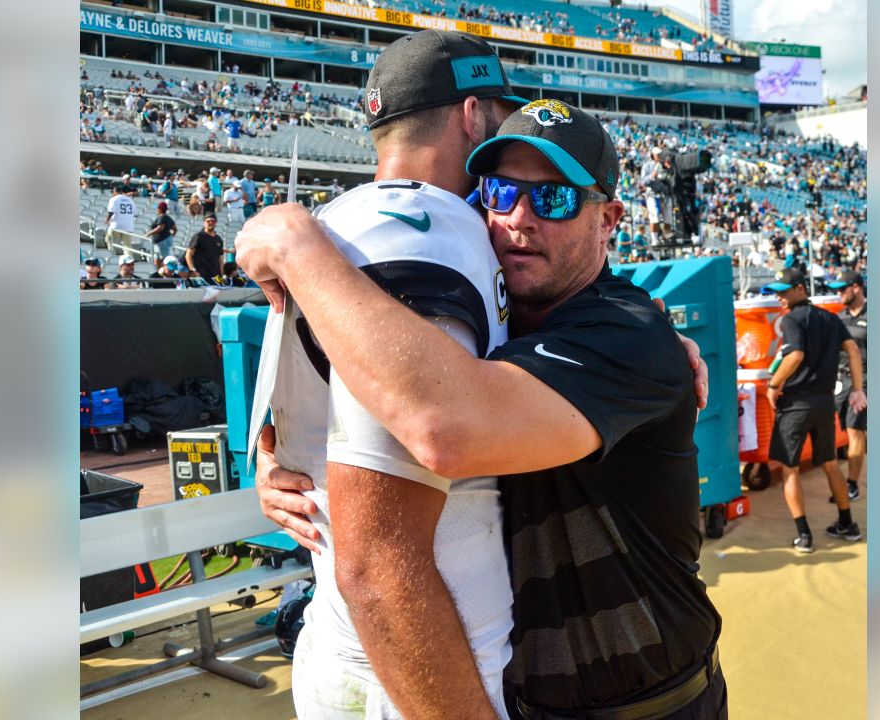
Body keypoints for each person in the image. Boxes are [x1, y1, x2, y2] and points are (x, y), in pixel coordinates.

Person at [240, 100, 725, 719]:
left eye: (553, 200)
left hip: (649, 705)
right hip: (527, 697)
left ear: (608, 220)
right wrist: (281, 462)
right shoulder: (492, 331)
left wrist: (295, 245)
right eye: (499, 193)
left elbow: (444, 427)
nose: (519, 219)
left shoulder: (628, 334)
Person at [235, 30, 528, 720]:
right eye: (499, 118)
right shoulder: (423, 231)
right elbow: (380, 560)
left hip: (342, 637)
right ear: (470, 116)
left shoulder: (328, 226)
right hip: (432, 653)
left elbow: (283, 440)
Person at [763, 267, 867, 553]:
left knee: (790, 469)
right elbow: (854, 350)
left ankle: (804, 534)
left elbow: (795, 355)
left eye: (784, 292)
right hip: (824, 403)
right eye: (777, 293)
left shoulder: (792, 320)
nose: (780, 298)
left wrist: (774, 383)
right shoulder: (831, 318)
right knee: (830, 463)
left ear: (800, 289)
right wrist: (858, 388)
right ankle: (847, 523)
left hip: (796, 403)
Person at [827, 269, 867, 502]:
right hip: (840, 381)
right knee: (844, 431)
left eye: (842, 288)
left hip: (866, 380)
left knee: (855, 430)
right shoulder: (839, 318)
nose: (838, 293)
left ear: (856, 287)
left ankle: (851, 484)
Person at [186, 213, 224, 280]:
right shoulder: (199, 236)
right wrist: (193, 270)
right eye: (208, 221)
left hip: (215, 276)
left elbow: (220, 259)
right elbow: (188, 254)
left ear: (216, 223)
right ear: (204, 223)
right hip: (202, 275)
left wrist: (221, 274)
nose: (211, 223)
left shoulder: (218, 239)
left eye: (213, 221)